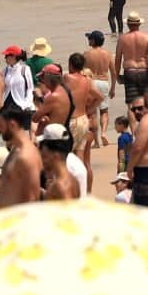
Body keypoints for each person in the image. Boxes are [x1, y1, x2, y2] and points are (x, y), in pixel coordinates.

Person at [65, 54, 99, 193]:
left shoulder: (67, 78)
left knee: (68, 157)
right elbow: (100, 97)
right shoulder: (87, 80)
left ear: (70, 65)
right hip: (84, 118)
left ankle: (74, 190)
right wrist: (89, 109)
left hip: (72, 119)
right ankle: (84, 191)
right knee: (81, 157)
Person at [0, 107, 42, 208]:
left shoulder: (27, 156)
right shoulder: (16, 150)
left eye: (0, 125)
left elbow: (33, 197)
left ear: (12, 124)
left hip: (16, 219)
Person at [114, 11, 148, 112]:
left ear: (128, 24)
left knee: (131, 104)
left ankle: (133, 127)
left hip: (130, 72)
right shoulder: (147, 37)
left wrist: (117, 75)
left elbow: (118, 59)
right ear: (139, 24)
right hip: (144, 72)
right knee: (145, 102)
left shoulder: (122, 39)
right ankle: (145, 126)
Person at [38, 124, 81, 201]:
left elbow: (68, 211)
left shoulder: (60, 186)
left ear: (55, 155)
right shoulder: (73, 179)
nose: (42, 159)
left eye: (44, 155)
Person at [1, 45, 35, 112]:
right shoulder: (5, 70)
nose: (5, 58)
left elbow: (30, 88)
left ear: (14, 56)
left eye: (6, 56)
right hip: (7, 104)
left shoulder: (25, 69)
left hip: (21, 105)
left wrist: (27, 104)